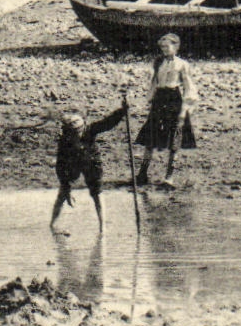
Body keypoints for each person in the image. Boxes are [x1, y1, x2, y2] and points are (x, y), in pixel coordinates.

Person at [49, 104, 129, 233]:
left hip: (91, 162)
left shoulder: (90, 130)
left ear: (83, 124)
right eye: (71, 127)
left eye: (78, 126)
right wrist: (67, 188)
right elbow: (60, 165)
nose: (76, 131)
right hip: (72, 163)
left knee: (97, 193)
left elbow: (107, 123)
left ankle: (102, 228)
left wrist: (122, 111)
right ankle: (53, 224)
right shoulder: (65, 140)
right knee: (62, 193)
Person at [135, 33, 198, 188]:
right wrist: (149, 100)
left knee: (175, 136)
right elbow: (154, 82)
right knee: (151, 135)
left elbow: (189, 87)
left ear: (175, 47)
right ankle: (142, 173)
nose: (164, 49)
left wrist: (184, 110)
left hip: (174, 99)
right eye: (162, 46)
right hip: (160, 99)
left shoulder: (182, 64)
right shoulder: (158, 62)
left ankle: (169, 177)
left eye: (167, 46)